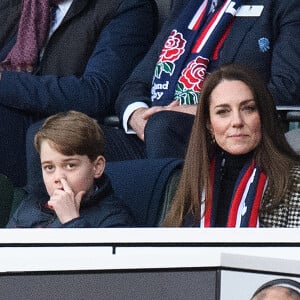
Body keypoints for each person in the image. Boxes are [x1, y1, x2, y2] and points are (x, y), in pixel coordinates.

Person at [101, 0, 300, 161]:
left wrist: (205, 108)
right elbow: (135, 84)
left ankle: (176, 210)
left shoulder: (284, 4)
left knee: (163, 126)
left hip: (220, 135)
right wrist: (138, 115)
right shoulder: (186, 5)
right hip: (153, 131)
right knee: (83, 139)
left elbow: (287, 87)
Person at [0, 0, 157, 186]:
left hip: (71, 126)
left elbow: (96, 93)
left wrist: (5, 82)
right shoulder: (22, 5)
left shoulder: (125, 6)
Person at [162, 64, 300, 227]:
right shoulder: (193, 180)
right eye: (223, 112)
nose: (237, 122)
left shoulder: (295, 182)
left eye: (248, 109)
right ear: (209, 124)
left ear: (264, 115)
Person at [6, 111, 135, 228]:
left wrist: (71, 220)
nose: (58, 177)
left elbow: (97, 254)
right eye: (49, 167)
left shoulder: (114, 217)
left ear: (97, 167)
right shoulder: (30, 205)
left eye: (70, 165)